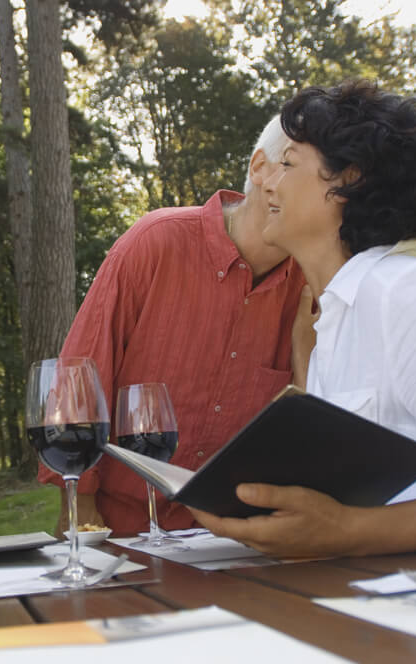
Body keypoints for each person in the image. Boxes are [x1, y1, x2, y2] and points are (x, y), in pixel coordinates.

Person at [190, 79, 416, 558]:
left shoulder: (410, 298)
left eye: (288, 164)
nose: (268, 181)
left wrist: (352, 531)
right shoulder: (339, 318)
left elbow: (351, 525)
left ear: (347, 181)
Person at [38, 116, 307, 537]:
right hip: (121, 530)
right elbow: (80, 380)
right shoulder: (156, 242)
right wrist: (81, 508)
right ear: (260, 169)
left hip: (234, 540)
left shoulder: (311, 286)